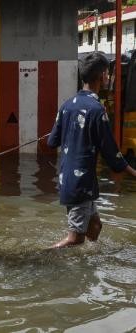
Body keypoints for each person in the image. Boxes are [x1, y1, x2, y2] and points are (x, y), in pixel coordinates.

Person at [47, 51, 136, 248]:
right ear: (102, 75)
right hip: (81, 183)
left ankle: (86, 262)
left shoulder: (67, 105)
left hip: (71, 180)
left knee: (95, 225)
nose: (108, 77)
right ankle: (40, 256)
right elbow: (113, 155)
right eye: (107, 73)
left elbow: (51, 142)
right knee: (75, 239)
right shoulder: (97, 110)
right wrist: (133, 173)